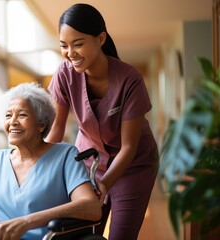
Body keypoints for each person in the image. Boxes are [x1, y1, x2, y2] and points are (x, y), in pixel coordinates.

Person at [45, 3, 159, 240]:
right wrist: (35, 166)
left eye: (78, 44)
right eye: (64, 46)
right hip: (89, 164)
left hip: (133, 166)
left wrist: (103, 185)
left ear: (101, 38)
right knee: (81, 234)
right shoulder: (64, 74)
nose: (70, 53)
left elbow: (128, 147)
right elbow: (56, 129)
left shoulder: (130, 80)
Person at [0, 82, 102, 240]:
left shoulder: (65, 155)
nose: (13, 122)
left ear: (41, 124)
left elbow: (91, 207)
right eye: (8, 115)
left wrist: (28, 221)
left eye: (22, 115)